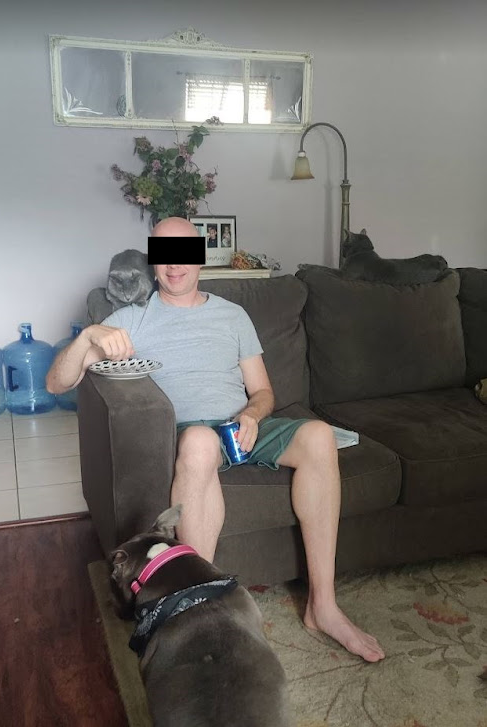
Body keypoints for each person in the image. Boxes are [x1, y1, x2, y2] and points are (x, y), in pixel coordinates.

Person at [46, 217, 385, 663]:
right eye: (164, 255)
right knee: (201, 441)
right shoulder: (131, 319)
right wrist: (90, 335)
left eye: (184, 253)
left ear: (200, 257)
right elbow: (56, 383)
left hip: (241, 427)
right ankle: (196, 609)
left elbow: (263, 392)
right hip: (192, 434)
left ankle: (323, 606)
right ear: (153, 261)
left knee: (319, 435)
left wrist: (252, 414)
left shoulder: (233, 315)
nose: (174, 265)